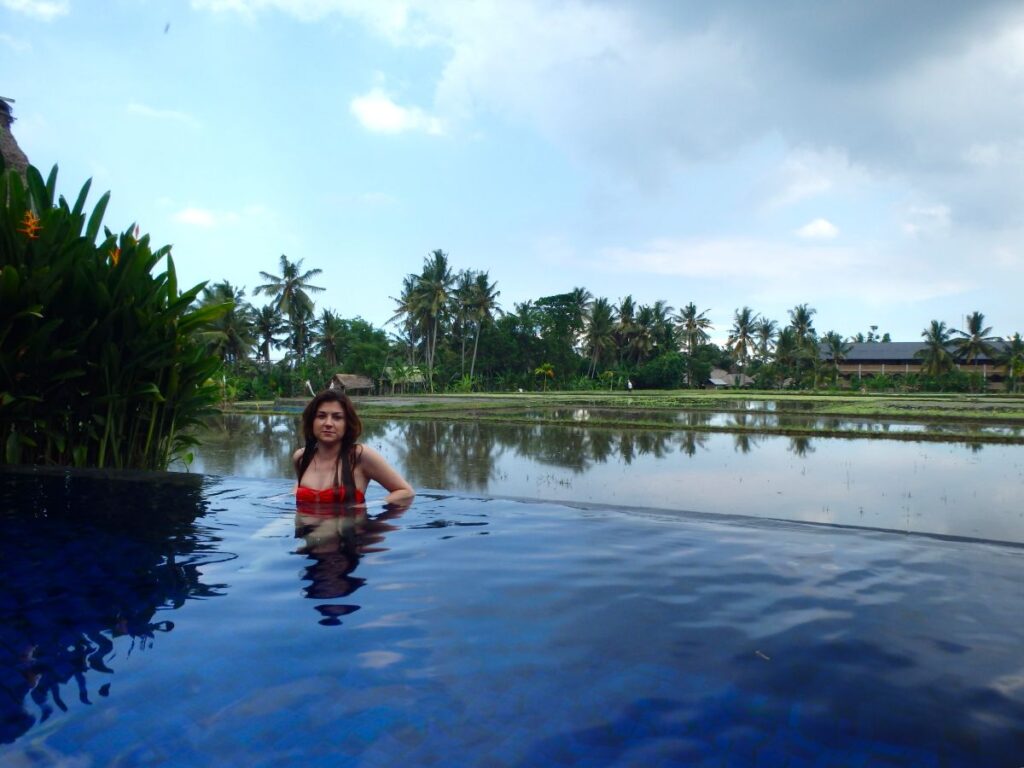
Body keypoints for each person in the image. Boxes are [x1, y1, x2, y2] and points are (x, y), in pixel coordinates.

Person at [293, 389, 414, 506]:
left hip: (348, 526)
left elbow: (406, 492)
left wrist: (370, 505)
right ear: (311, 421)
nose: (328, 423)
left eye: (337, 417)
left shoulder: (360, 456)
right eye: (321, 416)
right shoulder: (302, 457)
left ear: (347, 423)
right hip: (303, 526)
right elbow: (299, 488)